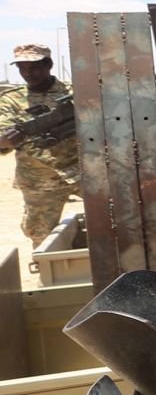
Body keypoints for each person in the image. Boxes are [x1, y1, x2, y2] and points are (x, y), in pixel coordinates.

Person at [0, 43, 81, 244]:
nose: (28, 73)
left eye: (34, 66)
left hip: (81, 170)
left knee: (116, 217)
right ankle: (49, 271)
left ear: (49, 65)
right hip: (38, 179)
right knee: (40, 234)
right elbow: (3, 136)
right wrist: (6, 140)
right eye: (22, 68)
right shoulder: (10, 100)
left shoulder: (74, 93)